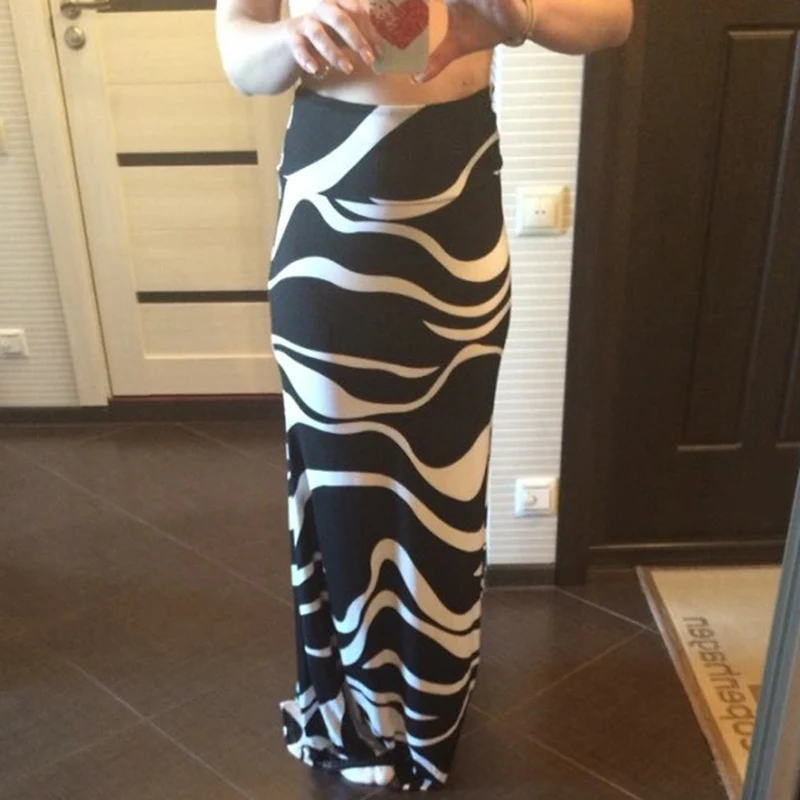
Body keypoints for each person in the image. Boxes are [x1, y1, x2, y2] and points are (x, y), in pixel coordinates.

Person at [215, 0, 632, 791]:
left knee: (445, 491)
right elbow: (239, 55)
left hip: (457, 201)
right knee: (338, 483)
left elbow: (613, 19)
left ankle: (432, 712)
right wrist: (291, 38)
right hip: (326, 214)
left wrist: (521, 13)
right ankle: (358, 717)